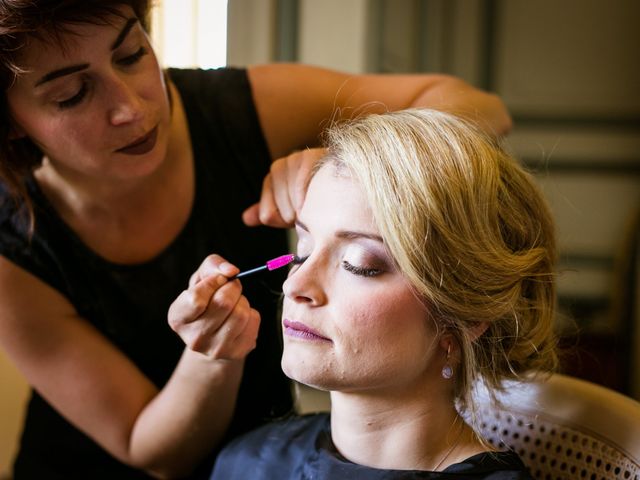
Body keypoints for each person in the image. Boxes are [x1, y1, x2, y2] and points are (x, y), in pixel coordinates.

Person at [0, 1, 511, 478]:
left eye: (132, 55)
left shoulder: (237, 111)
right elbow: (151, 450)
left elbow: (478, 107)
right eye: (71, 95)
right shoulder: (12, 250)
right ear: (11, 122)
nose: (129, 107)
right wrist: (212, 357)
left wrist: (346, 165)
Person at [205, 109, 558, 479]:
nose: (295, 285)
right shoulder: (247, 463)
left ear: (466, 315)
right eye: (303, 249)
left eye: (359, 264)